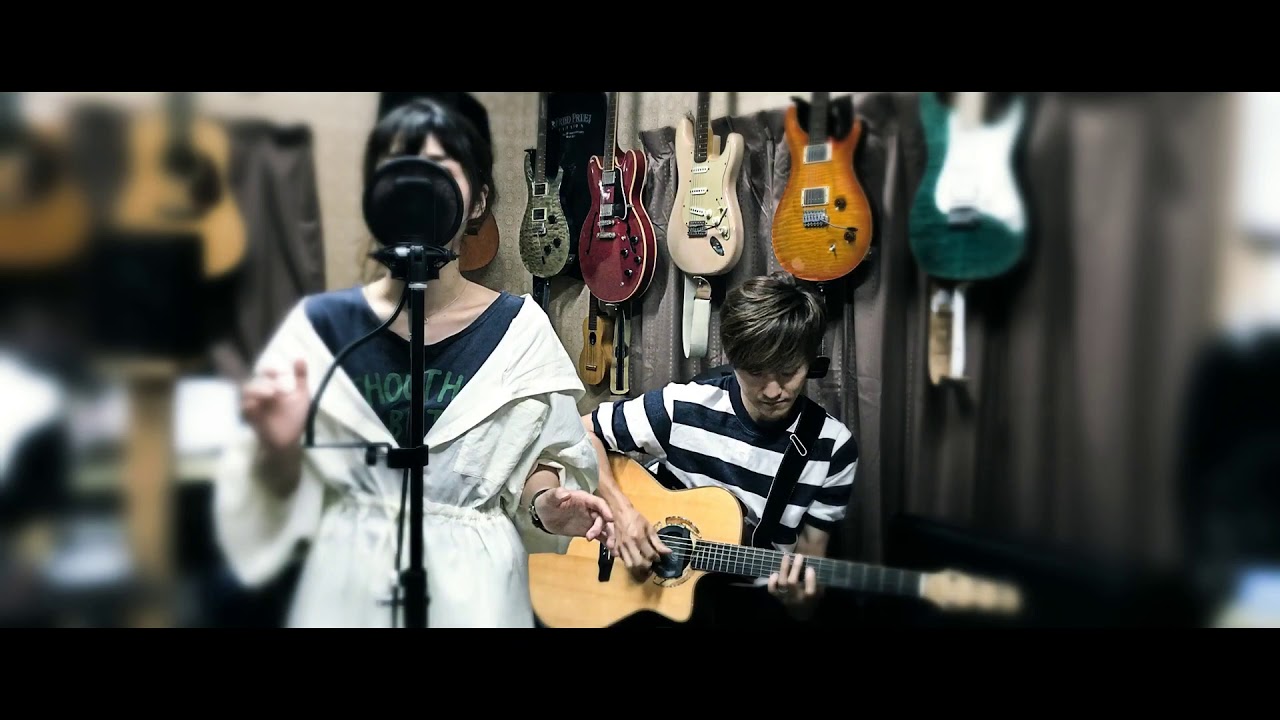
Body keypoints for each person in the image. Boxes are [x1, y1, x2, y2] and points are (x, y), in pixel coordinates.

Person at [213, 97, 612, 628]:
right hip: (344, 589)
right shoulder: (320, 329)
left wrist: (548, 507)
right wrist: (277, 450)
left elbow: (538, 467)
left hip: (474, 596)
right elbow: (265, 510)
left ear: (478, 200)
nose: (416, 188)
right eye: (398, 169)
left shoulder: (520, 331)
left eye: (439, 169)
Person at [583, 272, 859, 626]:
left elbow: (807, 582)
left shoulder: (833, 448)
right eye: (755, 372)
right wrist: (623, 516)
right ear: (733, 359)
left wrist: (801, 600)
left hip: (746, 608)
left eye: (788, 372)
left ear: (810, 361)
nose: (773, 391)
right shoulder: (682, 407)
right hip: (647, 601)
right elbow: (580, 432)